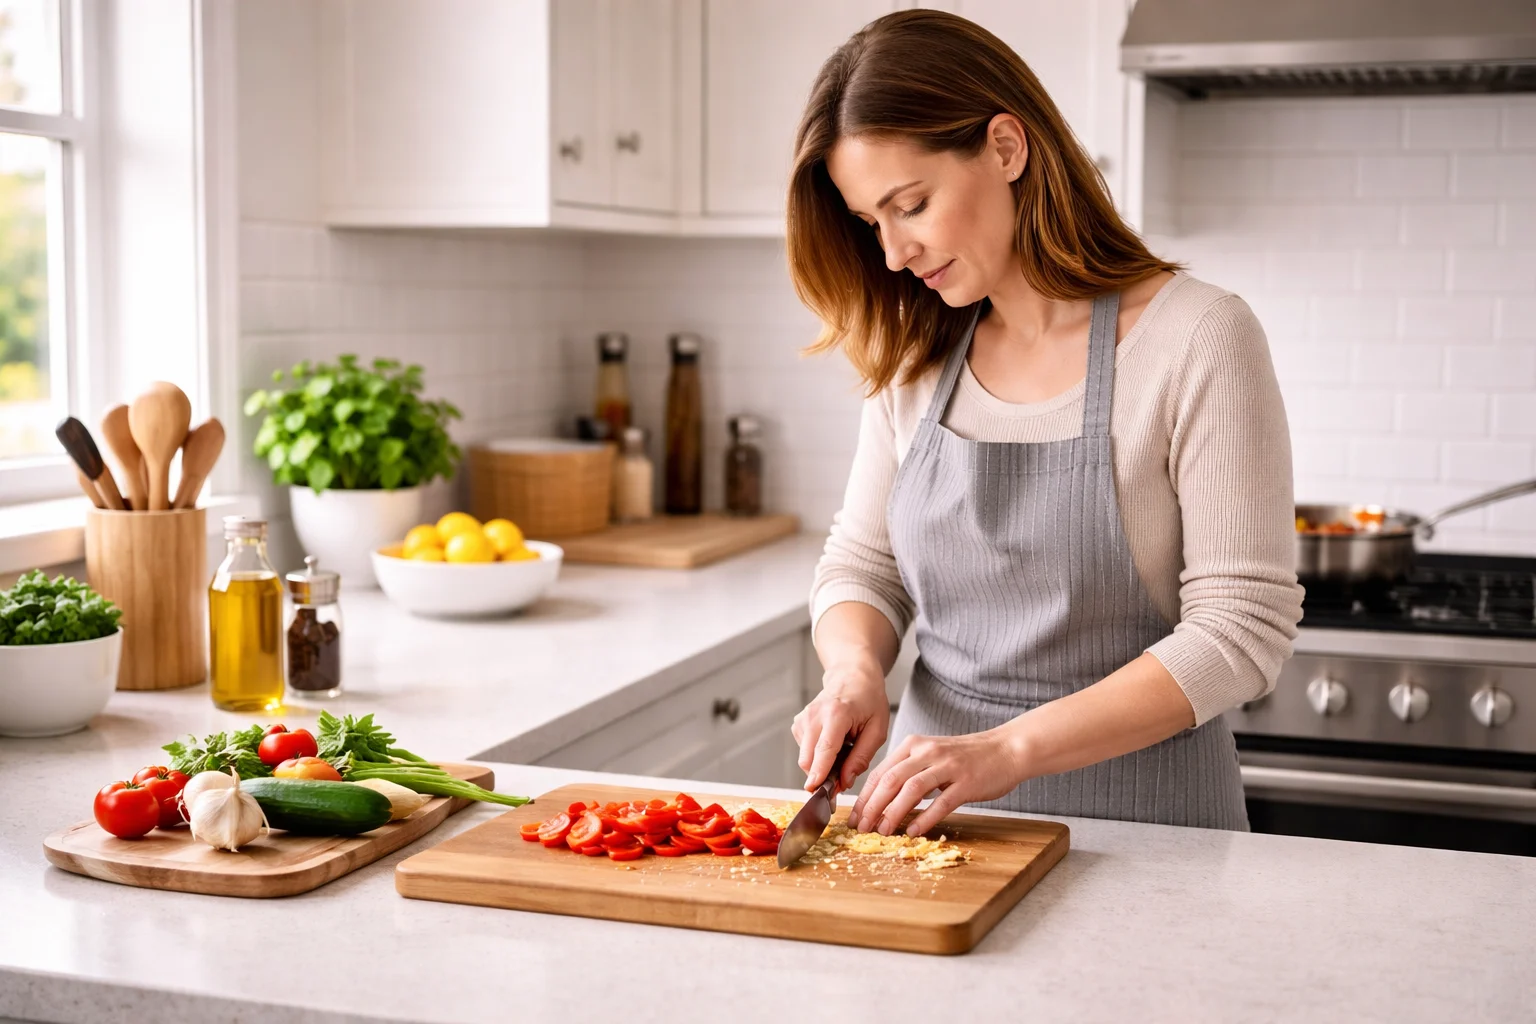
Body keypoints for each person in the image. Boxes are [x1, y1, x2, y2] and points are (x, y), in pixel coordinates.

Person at [786, 9, 1304, 838]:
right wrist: (853, 670)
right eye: (869, 223)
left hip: (1154, 836)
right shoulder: (920, 351)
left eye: (911, 205)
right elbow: (864, 562)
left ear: (1005, 147)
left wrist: (1007, 751)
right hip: (929, 832)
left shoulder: (1197, 337)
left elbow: (1241, 629)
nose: (893, 254)